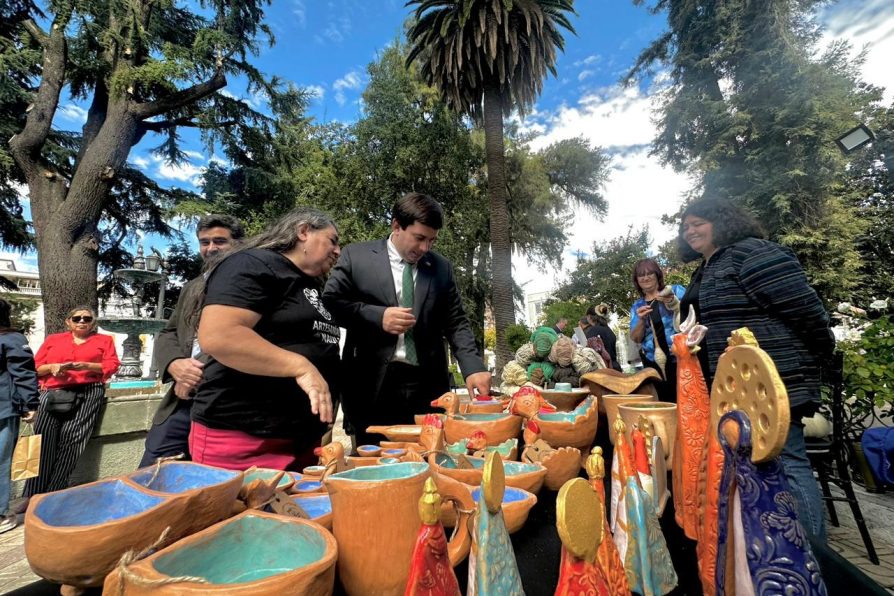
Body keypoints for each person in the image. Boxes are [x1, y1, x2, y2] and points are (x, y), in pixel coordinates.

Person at [677, 197, 833, 539]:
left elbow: (807, 312)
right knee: (754, 466)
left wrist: (819, 355)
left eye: (698, 222)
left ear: (723, 220)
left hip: (772, 378)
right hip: (732, 385)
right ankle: (773, 549)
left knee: (787, 463)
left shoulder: (753, 253)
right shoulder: (705, 267)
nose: (690, 230)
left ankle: (812, 560)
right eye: (685, 226)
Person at [324, 192, 491, 447]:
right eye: (419, 238)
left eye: (431, 241)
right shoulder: (356, 257)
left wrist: (473, 366)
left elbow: (456, 321)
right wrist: (377, 316)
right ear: (396, 226)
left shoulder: (440, 268)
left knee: (429, 460)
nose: (425, 248)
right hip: (372, 385)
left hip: (426, 387)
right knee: (374, 469)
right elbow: (332, 303)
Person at [191, 208, 340, 472]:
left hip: (299, 438)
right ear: (304, 231)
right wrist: (301, 366)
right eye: (333, 240)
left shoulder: (308, 284)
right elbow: (220, 336)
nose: (338, 251)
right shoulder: (252, 263)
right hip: (245, 439)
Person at [138, 214, 244, 468]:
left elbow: (238, 337)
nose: (211, 248)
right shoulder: (192, 287)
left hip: (226, 401)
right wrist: (174, 363)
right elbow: (169, 332)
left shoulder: (251, 283)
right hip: (180, 402)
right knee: (151, 475)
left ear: (239, 244)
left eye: (220, 241)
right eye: (204, 242)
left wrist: (194, 371)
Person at [23, 306, 120, 498]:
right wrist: (52, 367)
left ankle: (53, 493)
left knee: (72, 443)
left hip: (89, 392)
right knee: (44, 442)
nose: (82, 321)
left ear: (93, 323)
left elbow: (112, 365)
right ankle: (32, 495)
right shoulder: (53, 340)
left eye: (87, 318)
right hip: (53, 392)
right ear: (68, 322)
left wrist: (86, 365)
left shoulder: (104, 340)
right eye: (77, 318)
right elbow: (34, 367)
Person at [0, 299, 39, 532]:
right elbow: (23, 372)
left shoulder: (10, 339)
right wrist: (30, 405)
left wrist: (28, 403)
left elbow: (22, 372)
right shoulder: (12, 339)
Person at [629, 258, 686, 399]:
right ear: (637, 280)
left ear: (657, 275)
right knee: (662, 402)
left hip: (681, 358)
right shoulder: (637, 306)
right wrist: (641, 319)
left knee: (686, 400)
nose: (646, 278)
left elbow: (693, 314)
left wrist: (675, 303)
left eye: (649, 273)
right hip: (653, 364)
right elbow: (635, 338)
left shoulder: (676, 291)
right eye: (641, 275)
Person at [585, 304, 621, 371]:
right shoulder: (608, 329)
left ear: (589, 316)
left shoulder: (593, 330)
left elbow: (591, 354)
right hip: (615, 367)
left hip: (604, 369)